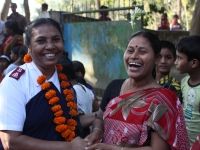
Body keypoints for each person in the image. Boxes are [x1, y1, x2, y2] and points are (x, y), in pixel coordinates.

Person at [0, 18, 102, 150]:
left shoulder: (64, 80)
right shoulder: (15, 82)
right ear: (29, 48)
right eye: (41, 41)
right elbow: (10, 141)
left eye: (56, 39)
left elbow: (66, 121)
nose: (50, 46)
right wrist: (69, 147)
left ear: (63, 43)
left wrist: (97, 124)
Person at [85, 31, 189, 150]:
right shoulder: (114, 86)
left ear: (156, 58)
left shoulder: (162, 100)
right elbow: (99, 117)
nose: (134, 56)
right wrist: (97, 131)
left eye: (142, 51)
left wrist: (115, 149)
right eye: (130, 50)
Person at [175, 35, 200, 146]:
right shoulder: (184, 81)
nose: (176, 62)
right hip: (185, 141)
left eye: (179, 58)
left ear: (193, 63)